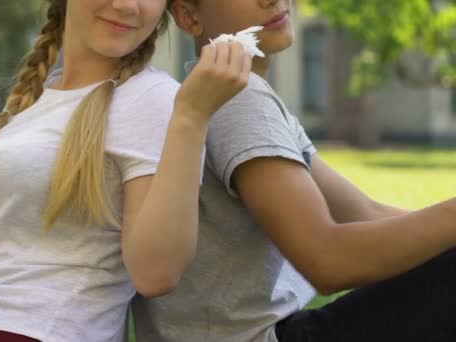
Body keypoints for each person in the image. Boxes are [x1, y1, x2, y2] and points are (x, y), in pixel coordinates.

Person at [0, 0, 252, 341]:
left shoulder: (155, 100)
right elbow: (16, 227)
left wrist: (192, 118)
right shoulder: (40, 97)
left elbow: (156, 274)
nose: (128, 5)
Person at [132, 0, 456, 341]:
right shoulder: (239, 99)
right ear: (189, 16)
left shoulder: (246, 96)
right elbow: (327, 260)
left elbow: (366, 213)